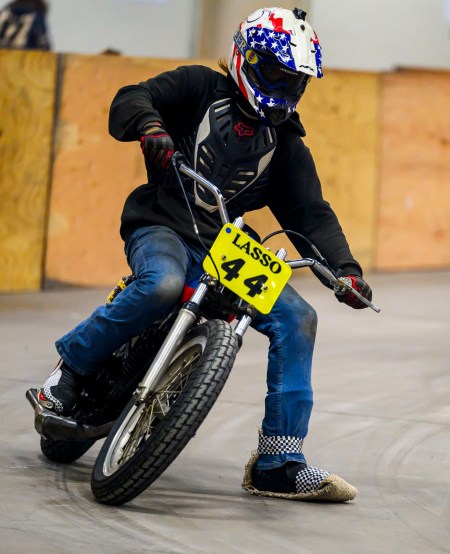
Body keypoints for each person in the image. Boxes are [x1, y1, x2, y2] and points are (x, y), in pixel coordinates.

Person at [36, 6, 372, 502]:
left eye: (295, 81)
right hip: (163, 223)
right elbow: (133, 97)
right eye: (275, 74)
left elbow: (310, 212)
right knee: (162, 284)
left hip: (229, 248)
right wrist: (150, 127)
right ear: (247, 58)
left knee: (299, 318)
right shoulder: (198, 88)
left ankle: (278, 464)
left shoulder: (286, 146)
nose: (284, 88)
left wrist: (346, 270)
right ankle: (69, 372)